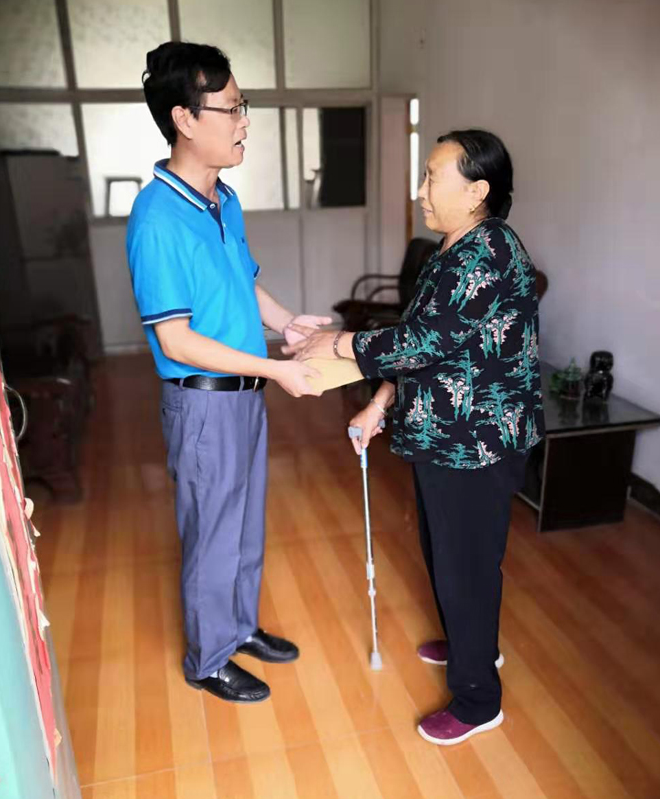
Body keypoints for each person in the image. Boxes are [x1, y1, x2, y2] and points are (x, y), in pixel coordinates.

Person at [284, 129, 545, 744]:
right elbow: (421, 339)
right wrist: (378, 403)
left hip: (477, 441)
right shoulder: (449, 247)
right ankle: (471, 642)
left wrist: (338, 343)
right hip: (443, 435)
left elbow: (424, 342)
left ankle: (478, 700)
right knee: (447, 553)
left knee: (466, 566)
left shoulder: (490, 250)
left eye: (432, 177)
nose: (420, 190)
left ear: (477, 191)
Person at [127, 42, 329, 704]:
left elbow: (242, 282)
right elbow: (177, 339)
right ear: (185, 119)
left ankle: (238, 627)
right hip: (203, 403)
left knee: (243, 524)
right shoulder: (157, 218)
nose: (244, 122)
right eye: (233, 108)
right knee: (211, 533)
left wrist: (289, 324)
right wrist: (274, 367)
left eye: (245, 107)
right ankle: (207, 657)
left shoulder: (223, 199)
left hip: (244, 395)